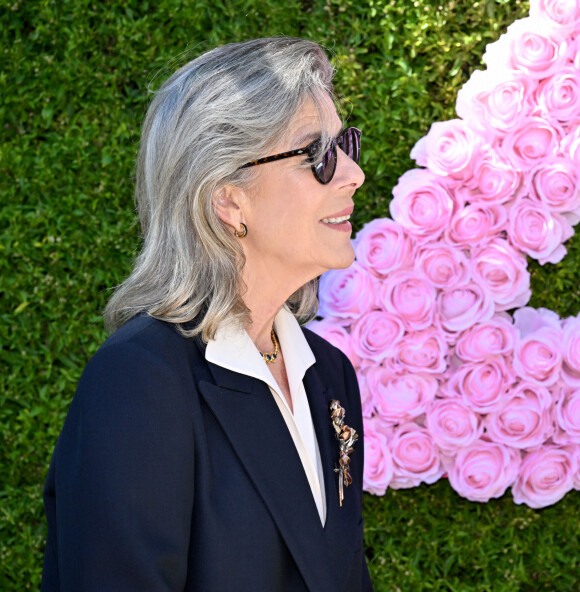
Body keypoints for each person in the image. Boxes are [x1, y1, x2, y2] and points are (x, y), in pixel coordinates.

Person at [41, 36, 372, 591]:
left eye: (346, 145)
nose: (352, 174)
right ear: (227, 200)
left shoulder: (328, 374)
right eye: (317, 154)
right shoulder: (139, 380)